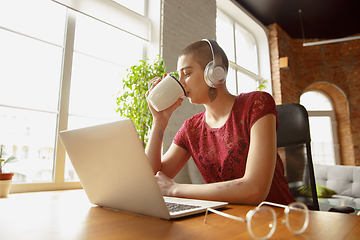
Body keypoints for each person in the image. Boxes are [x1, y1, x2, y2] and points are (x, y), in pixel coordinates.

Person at [145, 40, 295, 205]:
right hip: (228, 220)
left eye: (186, 73)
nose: (181, 82)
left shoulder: (256, 104)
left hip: (277, 219)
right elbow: (152, 178)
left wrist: (174, 189)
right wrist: (159, 121)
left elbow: (255, 189)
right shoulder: (191, 128)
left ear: (214, 72)